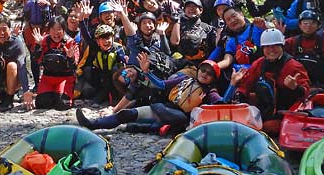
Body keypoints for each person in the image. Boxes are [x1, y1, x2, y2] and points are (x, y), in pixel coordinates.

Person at [76, 56, 224, 136]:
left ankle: (144, 127)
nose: (204, 74)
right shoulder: (185, 79)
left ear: (213, 78)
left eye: (209, 73)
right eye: (203, 70)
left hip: (180, 117)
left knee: (166, 122)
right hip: (165, 108)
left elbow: (221, 103)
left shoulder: (210, 91)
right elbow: (161, 84)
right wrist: (147, 73)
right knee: (127, 114)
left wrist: (233, 85)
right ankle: (92, 124)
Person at [225, 28, 310, 135]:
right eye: (267, 47)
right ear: (263, 48)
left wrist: (296, 88)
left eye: (275, 46)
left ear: (282, 46)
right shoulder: (259, 63)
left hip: (284, 112)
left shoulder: (293, 66)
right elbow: (246, 85)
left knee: (268, 127)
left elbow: (306, 94)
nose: (271, 50)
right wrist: (239, 96)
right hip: (265, 108)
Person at [283, 11, 324, 92]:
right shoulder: (293, 41)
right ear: (300, 25)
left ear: (318, 26)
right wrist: (280, 38)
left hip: (321, 86)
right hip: (298, 84)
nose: (308, 26)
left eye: (312, 23)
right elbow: (275, 54)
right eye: (305, 23)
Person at [74, 24, 127, 104]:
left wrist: (125, 59)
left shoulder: (117, 48)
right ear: (98, 41)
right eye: (103, 38)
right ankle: (100, 95)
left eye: (108, 38)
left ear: (113, 38)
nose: (106, 41)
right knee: (88, 70)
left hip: (115, 79)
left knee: (115, 69)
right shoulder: (96, 48)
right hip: (102, 77)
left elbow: (124, 60)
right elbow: (86, 37)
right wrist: (82, 21)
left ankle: (111, 97)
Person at [35, 17, 80, 110]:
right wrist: (38, 46)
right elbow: (37, 60)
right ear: (49, 30)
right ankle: (52, 94)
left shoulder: (71, 43)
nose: (56, 33)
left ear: (64, 30)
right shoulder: (44, 41)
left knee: (63, 104)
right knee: (42, 104)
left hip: (65, 78)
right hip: (48, 78)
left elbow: (74, 66)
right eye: (53, 29)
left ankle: (59, 95)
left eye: (59, 29)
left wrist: (70, 57)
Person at [169, 0, 216, 66]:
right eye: (188, 6)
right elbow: (174, 42)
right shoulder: (179, 25)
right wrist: (177, 20)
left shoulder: (208, 28)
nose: (191, 8)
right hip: (181, 63)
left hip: (201, 65)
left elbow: (215, 47)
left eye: (194, 6)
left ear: (201, 10)